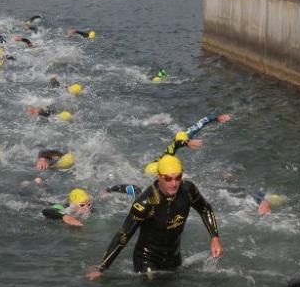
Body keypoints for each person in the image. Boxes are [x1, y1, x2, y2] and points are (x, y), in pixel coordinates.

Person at [85, 155, 222, 278]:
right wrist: (102, 267)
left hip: (173, 258)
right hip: (147, 260)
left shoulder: (188, 190)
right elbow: (124, 235)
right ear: (159, 176)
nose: (174, 183)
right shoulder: (145, 203)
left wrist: (214, 237)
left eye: (178, 178)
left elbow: (205, 209)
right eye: (168, 179)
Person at [142, 112, 232, 172]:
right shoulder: (153, 170)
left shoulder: (168, 155)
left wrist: (216, 118)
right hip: (154, 169)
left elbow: (176, 144)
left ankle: (164, 122)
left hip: (179, 139)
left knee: (181, 134)